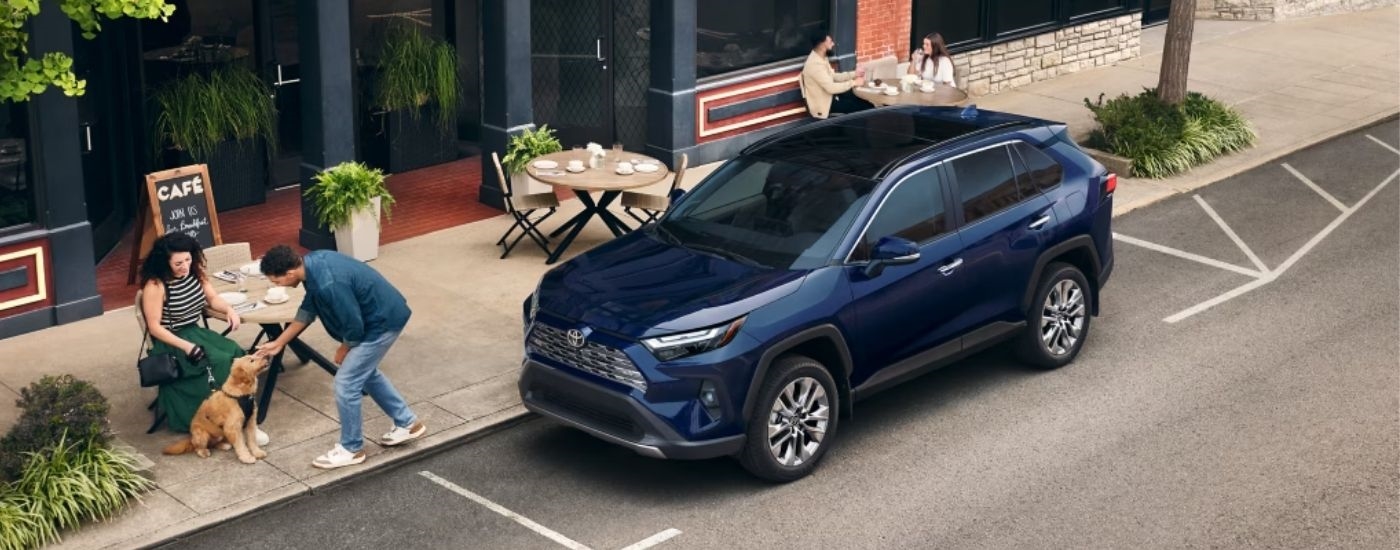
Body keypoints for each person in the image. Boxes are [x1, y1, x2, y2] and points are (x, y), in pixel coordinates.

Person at [255, 245, 425, 469]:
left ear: (289, 274)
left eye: (276, 282)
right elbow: (308, 308)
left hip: (381, 323)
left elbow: (354, 325)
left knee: (346, 382)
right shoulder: (312, 263)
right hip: (384, 314)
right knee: (363, 372)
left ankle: (351, 449)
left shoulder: (328, 284)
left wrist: (344, 348)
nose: (276, 286)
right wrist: (279, 342)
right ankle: (407, 422)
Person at [140, 233, 267, 445]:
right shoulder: (156, 285)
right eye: (178, 263)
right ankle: (219, 422)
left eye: (188, 260)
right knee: (218, 362)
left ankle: (239, 414)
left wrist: (229, 310)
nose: (185, 266)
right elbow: (154, 327)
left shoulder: (195, 274)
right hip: (172, 340)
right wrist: (186, 346)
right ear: (165, 262)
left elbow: (213, 298)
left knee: (235, 352)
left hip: (194, 331)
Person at [800, 32, 869, 119]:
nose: (833, 44)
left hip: (830, 98)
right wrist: (854, 83)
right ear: (822, 44)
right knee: (862, 108)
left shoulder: (821, 57)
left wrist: (854, 74)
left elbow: (833, 77)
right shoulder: (815, 65)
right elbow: (831, 88)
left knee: (863, 102)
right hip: (824, 107)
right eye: (830, 42)